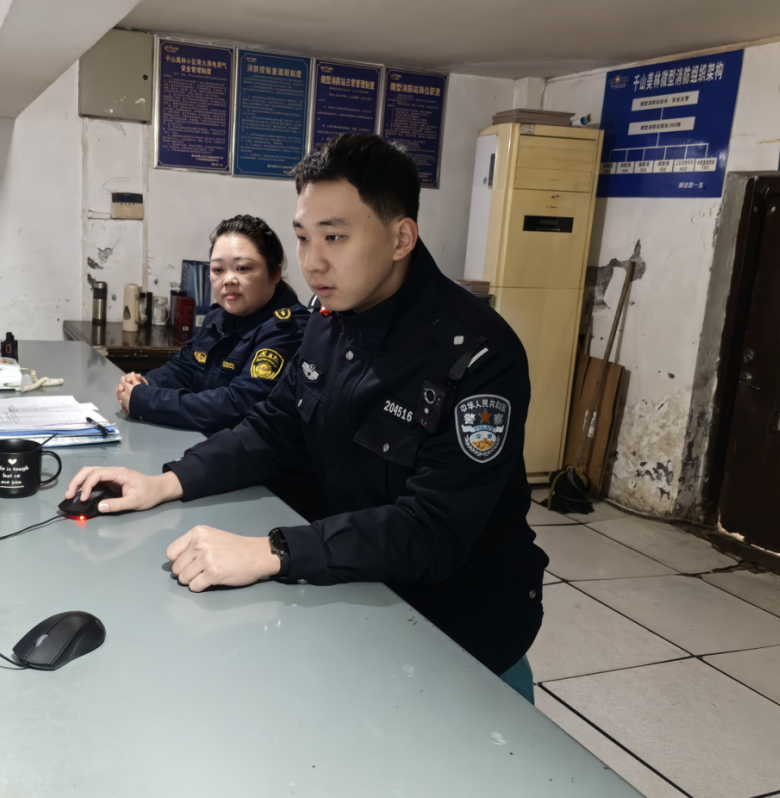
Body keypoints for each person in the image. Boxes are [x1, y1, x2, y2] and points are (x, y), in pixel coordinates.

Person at [66, 134, 549, 676]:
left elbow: (431, 530)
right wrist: (167, 481)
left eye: (334, 237)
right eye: (302, 237)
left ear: (401, 238)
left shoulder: (478, 353)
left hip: (454, 616)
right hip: (352, 581)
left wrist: (273, 551)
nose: (312, 262)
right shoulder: (328, 319)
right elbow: (274, 427)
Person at [116, 215, 309, 436]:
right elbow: (185, 368)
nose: (228, 280)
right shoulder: (218, 316)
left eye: (242, 268)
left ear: (275, 274)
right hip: (205, 444)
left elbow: (236, 406)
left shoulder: (287, 330)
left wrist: (146, 400)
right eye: (218, 270)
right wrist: (145, 383)